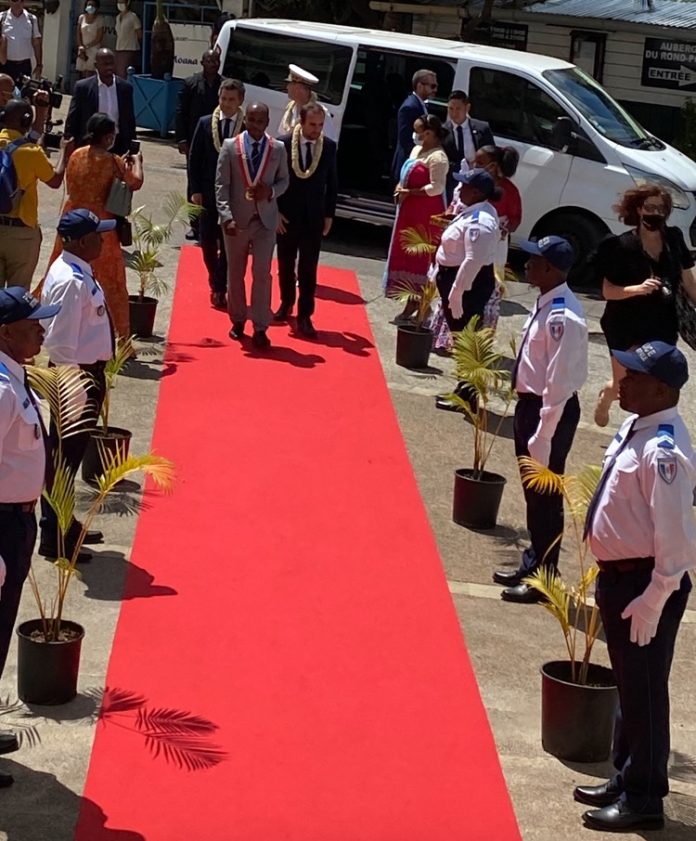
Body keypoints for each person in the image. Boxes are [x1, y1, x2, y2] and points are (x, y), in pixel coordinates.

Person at [578, 341, 695, 832]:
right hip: (621, 577)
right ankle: (626, 775)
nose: (622, 381)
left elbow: (676, 534)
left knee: (645, 691)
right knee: (630, 682)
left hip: (644, 583)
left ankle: (645, 797)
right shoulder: (637, 425)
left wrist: (656, 594)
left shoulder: (664, 450)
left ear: (663, 390)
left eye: (634, 377)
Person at [492, 236, 588, 604]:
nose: (528, 264)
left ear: (551, 269)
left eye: (535, 261)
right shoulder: (547, 302)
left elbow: (560, 382)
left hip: (550, 411)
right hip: (533, 407)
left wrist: (544, 434)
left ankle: (544, 578)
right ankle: (534, 562)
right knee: (534, 496)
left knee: (544, 496)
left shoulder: (565, 316)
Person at [0, 285, 61, 789]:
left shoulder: (14, 376)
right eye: (33, 324)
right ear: (5, 333)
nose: (42, 330)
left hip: (16, 522)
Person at [38, 209, 117, 564]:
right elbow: (61, 342)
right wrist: (73, 388)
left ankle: (64, 526)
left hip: (82, 375)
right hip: (76, 378)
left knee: (65, 458)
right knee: (65, 461)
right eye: (97, 235)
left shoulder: (74, 270)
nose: (103, 240)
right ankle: (55, 537)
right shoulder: (72, 281)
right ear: (82, 241)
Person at [592, 185, 696, 428]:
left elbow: (689, 282)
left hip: (663, 324)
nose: (655, 213)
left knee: (659, 384)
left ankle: (646, 434)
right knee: (624, 385)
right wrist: (636, 289)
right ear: (638, 209)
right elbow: (608, 291)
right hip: (626, 324)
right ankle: (606, 397)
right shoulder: (621, 246)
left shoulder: (673, 239)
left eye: (661, 209)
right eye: (649, 207)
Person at [44, 112, 143, 337]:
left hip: (71, 219)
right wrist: (137, 162)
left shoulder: (77, 154)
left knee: (60, 271)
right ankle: (121, 337)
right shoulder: (111, 161)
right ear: (108, 137)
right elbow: (135, 182)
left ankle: (52, 325)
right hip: (101, 226)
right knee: (112, 282)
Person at [216, 102, 289, 349]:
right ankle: (238, 319)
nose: (256, 125)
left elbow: (284, 181)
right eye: (252, 120)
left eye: (261, 121)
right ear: (244, 119)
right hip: (237, 220)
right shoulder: (230, 147)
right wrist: (226, 216)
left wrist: (271, 191)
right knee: (235, 272)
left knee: (262, 274)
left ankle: (260, 326)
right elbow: (222, 185)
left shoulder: (277, 148)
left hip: (265, 221)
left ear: (268, 122)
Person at [432, 168, 500, 409]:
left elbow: (473, 260)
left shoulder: (480, 221)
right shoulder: (472, 211)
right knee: (462, 337)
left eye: (464, 186)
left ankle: (467, 394)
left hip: (467, 284)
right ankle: (464, 389)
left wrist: (458, 291)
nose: (459, 189)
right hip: (457, 279)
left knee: (465, 338)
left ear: (478, 192)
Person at [275, 101, 338, 338]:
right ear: (301, 122)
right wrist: (276, 212)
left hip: (313, 217)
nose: (316, 129)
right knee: (285, 263)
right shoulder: (282, 143)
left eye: (320, 125)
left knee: (308, 268)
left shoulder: (329, 147)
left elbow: (332, 184)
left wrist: (329, 214)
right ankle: (286, 302)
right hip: (287, 215)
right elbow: (275, 180)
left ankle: (305, 316)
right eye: (312, 124)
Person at [0, 99, 71, 289]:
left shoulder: (28, 149)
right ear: (25, 122)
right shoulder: (31, 153)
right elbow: (55, 181)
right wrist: (64, 152)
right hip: (21, 232)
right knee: (17, 295)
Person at [384, 113, 448, 322]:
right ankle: (408, 301)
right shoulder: (417, 149)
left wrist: (411, 192)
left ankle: (421, 304)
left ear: (429, 133)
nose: (415, 135)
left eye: (418, 131)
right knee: (405, 253)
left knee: (419, 257)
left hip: (424, 214)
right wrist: (400, 186)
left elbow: (436, 188)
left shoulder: (438, 157)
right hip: (408, 211)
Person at [189, 78, 245, 311]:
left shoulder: (245, 126)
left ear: (240, 101)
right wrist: (195, 190)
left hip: (235, 195)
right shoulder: (205, 124)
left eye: (232, 100)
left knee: (229, 242)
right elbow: (195, 159)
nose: (227, 104)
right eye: (223, 99)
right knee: (208, 240)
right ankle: (215, 278)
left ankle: (220, 286)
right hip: (208, 193)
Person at [175, 49, 222, 241]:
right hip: (195, 141)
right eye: (209, 60)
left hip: (218, 143)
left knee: (215, 184)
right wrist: (182, 139)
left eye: (215, 60)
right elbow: (180, 112)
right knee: (194, 183)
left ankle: (212, 224)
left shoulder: (223, 85)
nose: (212, 63)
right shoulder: (191, 83)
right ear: (202, 62)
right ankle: (194, 225)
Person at [65, 48, 136, 155]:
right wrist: (69, 140)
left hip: (118, 147)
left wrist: (132, 146)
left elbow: (129, 120)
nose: (109, 67)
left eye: (111, 63)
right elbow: (73, 118)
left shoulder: (125, 88)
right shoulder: (83, 88)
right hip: (90, 146)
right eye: (105, 64)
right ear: (96, 65)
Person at [442, 90, 494, 200]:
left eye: (458, 109)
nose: (454, 113)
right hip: (453, 182)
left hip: (477, 180)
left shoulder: (482, 128)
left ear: (467, 108)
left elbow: (492, 155)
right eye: (451, 109)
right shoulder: (443, 131)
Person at [391, 68, 437, 181]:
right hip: (409, 164)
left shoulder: (422, 105)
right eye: (432, 86)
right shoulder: (409, 107)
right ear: (420, 86)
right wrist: (422, 156)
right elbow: (405, 140)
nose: (435, 90)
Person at [277, 64, 336, 142]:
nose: (287, 87)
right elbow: (281, 137)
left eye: (290, 83)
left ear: (299, 88)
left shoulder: (320, 112)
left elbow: (330, 142)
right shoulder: (291, 109)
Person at [0, 0, 41, 83]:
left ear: (24, 2)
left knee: (23, 93)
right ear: (9, 1)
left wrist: (39, 64)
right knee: (5, 94)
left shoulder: (31, 19)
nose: (17, 3)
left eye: (20, 1)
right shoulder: (1, 18)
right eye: (14, 0)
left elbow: (36, 43)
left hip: (24, 65)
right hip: (5, 65)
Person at [75, 0, 105, 79]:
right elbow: (78, 33)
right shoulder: (81, 17)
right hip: (82, 49)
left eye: (93, 5)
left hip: (93, 48)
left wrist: (88, 46)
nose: (90, 7)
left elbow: (99, 37)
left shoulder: (100, 19)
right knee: (82, 71)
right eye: (89, 4)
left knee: (91, 72)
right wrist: (80, 46)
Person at [114, 0, 141, 79]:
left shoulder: (133, 16)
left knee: (125, 75)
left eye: (122, 2)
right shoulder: (118, 17)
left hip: (130, 49)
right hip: (119, 48)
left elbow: (139, 34)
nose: (120, 4)